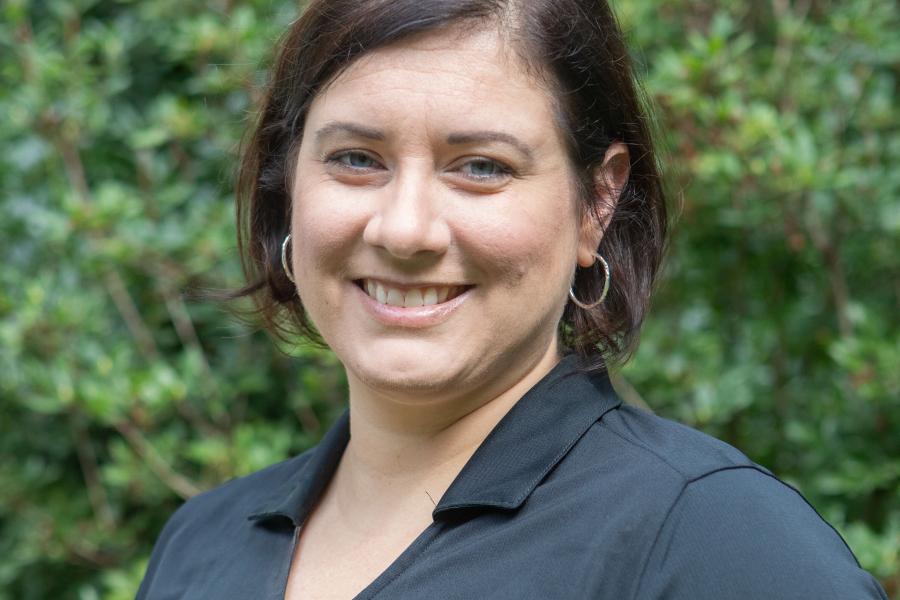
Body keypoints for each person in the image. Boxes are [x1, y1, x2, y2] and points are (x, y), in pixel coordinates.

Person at [137, 1, 888, 598]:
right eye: (356, 159)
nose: (405, 230)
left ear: (597, 201)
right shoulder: (203, 542)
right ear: (288, 181)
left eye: (482, 167)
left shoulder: (714, 543)